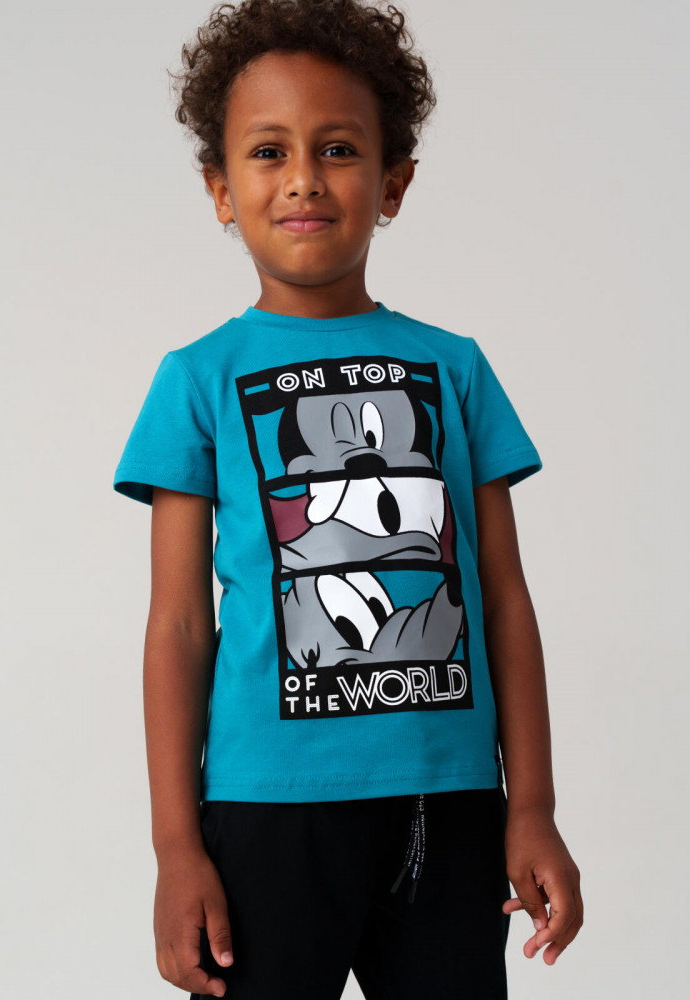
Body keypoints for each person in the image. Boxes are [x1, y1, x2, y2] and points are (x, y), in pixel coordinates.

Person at [112, 1, 583, 996]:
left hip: (450, 803)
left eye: (337, 148)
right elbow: (180, 625)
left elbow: (502, 596)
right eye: (267, 152)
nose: (303, 178)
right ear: (221, 189)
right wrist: (175, 845)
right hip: (268, 808)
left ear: (393, 182)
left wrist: (532, 804)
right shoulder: (196, 379)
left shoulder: (455, 368)